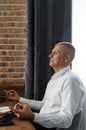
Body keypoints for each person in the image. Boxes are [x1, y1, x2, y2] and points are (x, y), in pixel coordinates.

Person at [5, 42, 85, 130]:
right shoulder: (54, 79)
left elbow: (66, 119)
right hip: (42, 123)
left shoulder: (71, 80)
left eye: (55, 53)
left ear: (66, 58)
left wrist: (33, 116)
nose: (50, 55)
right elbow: (44, 105)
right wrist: (19, 99)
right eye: (52, 52)